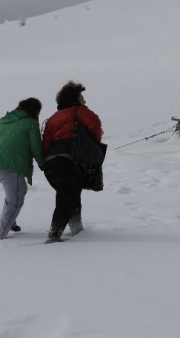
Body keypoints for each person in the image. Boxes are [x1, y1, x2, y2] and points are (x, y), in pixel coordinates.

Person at [42, 81, 103, 243]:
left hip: (51, 164)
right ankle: (54, 236)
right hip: (69, 162)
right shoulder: (81, 112)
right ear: (74, 99)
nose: (84, 100)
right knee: (66, 198)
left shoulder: (53, 118)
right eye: (81, 97)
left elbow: (46, 142)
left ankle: (77, 229)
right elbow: (95, 127)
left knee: (71, 195)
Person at [0, 98, 44, 240]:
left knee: (19, 191)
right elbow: (36, 148)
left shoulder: (4, 120)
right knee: (15, 201)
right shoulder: (30, 124)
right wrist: (43, 163)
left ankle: (11, 221)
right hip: (9, 168)